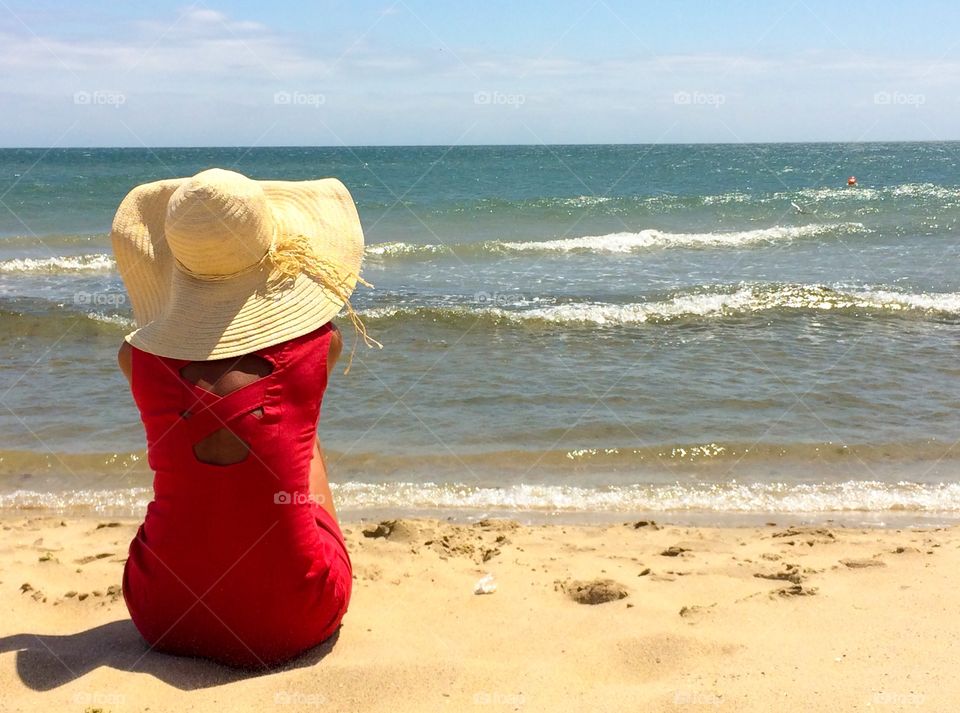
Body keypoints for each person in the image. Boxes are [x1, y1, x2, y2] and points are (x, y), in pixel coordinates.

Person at [111, 167, 371, 668]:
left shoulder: (136, 359)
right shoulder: (321, 346)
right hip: (294, 616)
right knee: (303, 443)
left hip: (161, 612)